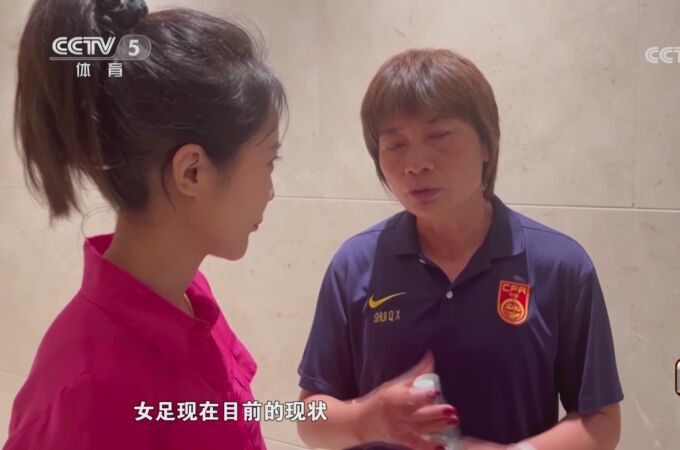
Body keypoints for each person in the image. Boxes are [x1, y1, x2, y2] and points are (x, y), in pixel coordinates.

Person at [296, 49, 623, 450]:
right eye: (395, 144)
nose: (415, 163)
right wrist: (365, 419)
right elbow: (307, 415)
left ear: (487, 144)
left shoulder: (560, 266)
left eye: (439, 137)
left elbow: (600, 420)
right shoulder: (355, 264)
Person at [4, 0, 286, 448]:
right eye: (269, 162)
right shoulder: (88, 394)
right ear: (192, 171)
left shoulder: (190, 299)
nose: (271, 191)